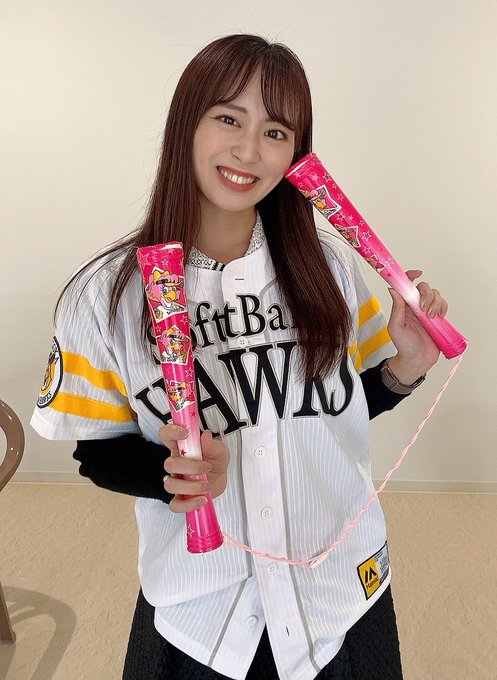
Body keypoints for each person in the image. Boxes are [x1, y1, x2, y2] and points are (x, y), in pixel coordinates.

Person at [31, 34, 448, 680]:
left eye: (275, 132)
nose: (249, 151)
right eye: (229, 118)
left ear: (295, 153)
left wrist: (404, 370)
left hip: (341, 589)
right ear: (186, 123)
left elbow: (333, 412)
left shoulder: (329, 267)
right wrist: (168, 472)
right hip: (203, 609)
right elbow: (97, 451)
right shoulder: (104, 296)